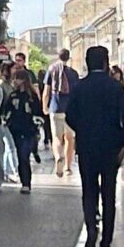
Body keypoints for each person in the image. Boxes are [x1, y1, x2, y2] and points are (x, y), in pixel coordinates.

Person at [65, 45, 124, 247]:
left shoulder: (79, 88)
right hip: (110, 147)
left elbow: (70, 116)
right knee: (109, 195)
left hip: (86, 146)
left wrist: (83, 130)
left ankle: (91, 229)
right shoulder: (115, 88)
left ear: (87, 63)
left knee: (89, 191)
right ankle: (106, 246)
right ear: (105, 62)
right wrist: (122, 143)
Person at [6, 57, 45, 194]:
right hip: (16, 129)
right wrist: (7, 122)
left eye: (17, 78)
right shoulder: (13, 95)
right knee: (20, 154)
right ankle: (24, 180)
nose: (15, 81)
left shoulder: (31, 96)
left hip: (29, 129)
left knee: (24, 155)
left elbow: (38, 112)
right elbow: (7, 110)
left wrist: (37, 124)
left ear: (23, 80)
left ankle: (26, 183)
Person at [44, 48, 78, 177]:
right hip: (70, 110)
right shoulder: (73, 73)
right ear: (68, 58)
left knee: (57, 137)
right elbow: (76, 94)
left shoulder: (52, 70)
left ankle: (59, 157)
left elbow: (46, 91)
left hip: (55, 107)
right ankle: (68, 167)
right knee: (70, 138)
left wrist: (45, 107)